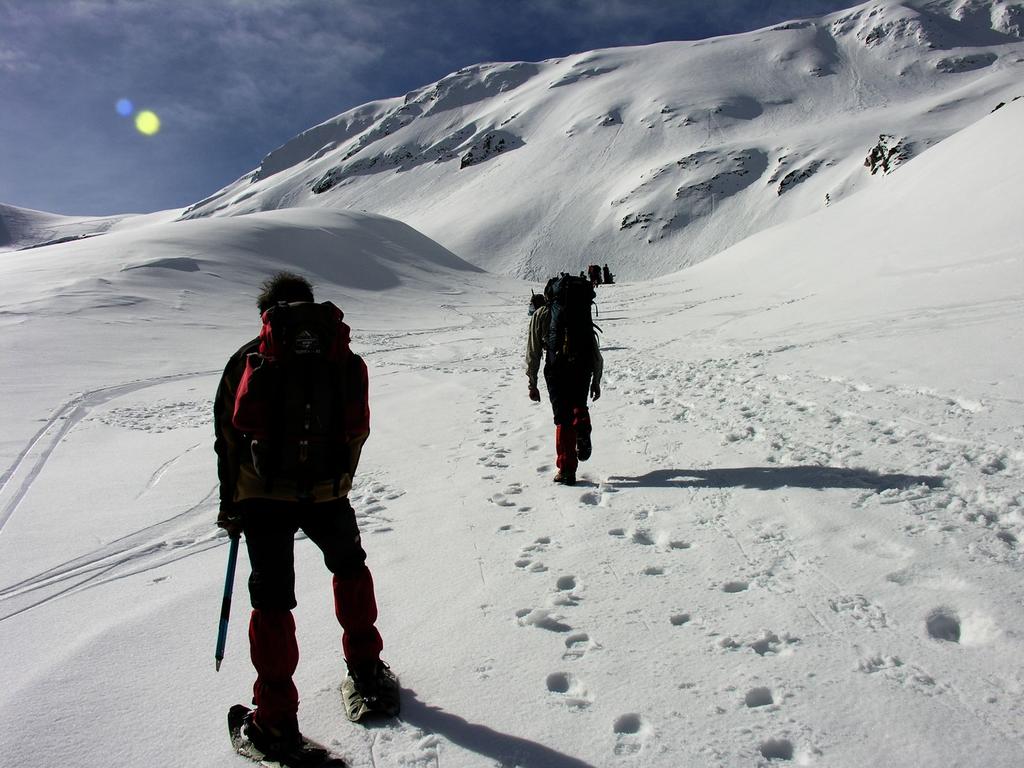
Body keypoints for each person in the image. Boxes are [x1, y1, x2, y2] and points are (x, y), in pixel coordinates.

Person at [214, 272, 396, 758]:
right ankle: (367, 673)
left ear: (268, 314)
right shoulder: (342, 358)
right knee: (350, 570)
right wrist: (339, 480)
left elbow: (228, 438)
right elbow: (358, 428)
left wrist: (231, 504)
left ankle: (275, 723)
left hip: (262, 499)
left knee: (272, 601)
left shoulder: (248, 359)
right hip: (328, 493)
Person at [525, 278, 603, 485]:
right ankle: (583, 426)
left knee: (563, 418)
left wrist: (532, 382)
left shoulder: (541, 314)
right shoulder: (580, 311)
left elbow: (533, 351)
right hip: (583, 366)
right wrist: (596, 379)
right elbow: (593, 346)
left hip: (556, 368)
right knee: (578, 404)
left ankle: (566, 470)